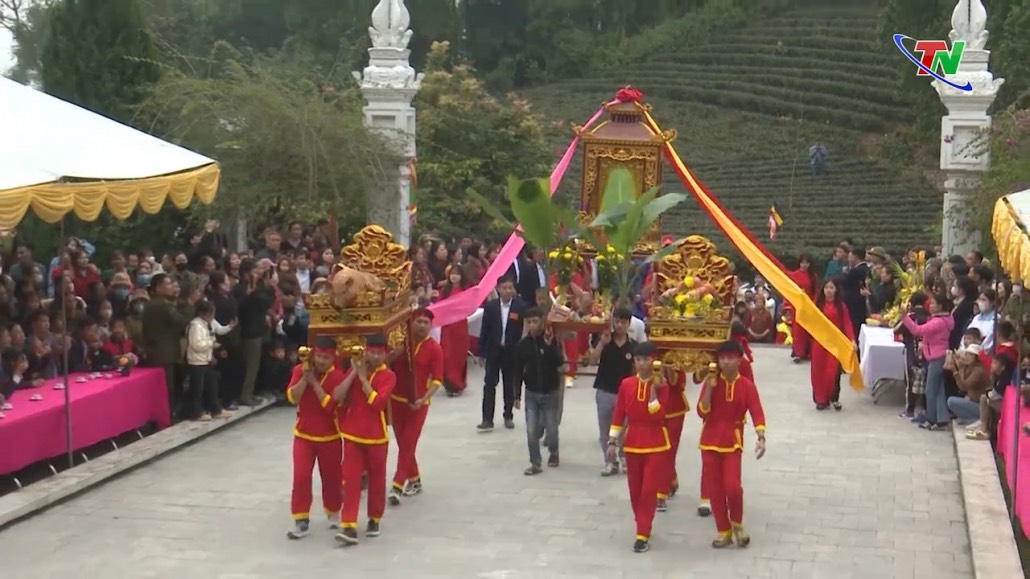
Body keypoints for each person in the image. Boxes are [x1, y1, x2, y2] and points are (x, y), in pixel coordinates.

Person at [697, 340, 766, 549]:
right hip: (709, 439)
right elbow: (702, 411)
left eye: (730, 358)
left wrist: (761, 437)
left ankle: (737, 524)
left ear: (738, 361)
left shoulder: (746, 385)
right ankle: (723, 531)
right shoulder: (711, 381)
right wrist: (709, 386)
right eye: (722, 358)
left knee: (733, 487)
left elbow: (757, 411)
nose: (725, 362)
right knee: (715, 489)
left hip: (732, 440)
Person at [606, 342, 670, 554]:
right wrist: (612, 440)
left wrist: (653, 394)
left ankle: (643, 533)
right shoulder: (626, 384)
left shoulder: (662, 385)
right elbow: (619, 413)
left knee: (649, 489)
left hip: (656, 442)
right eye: (639, 359)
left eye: (646, 359)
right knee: (635, 490)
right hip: (632, 442)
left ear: (654, 360)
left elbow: (660, 415)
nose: (643, 363)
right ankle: (641, 523)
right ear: (634, 361)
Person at [334, 334, 396, 546]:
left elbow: (378, 404)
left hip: (377, 436)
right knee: (350, 480)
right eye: (371, 352)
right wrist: (353, 373)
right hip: (352, 434)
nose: (375, 356)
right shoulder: (355, 370)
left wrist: (362, 379)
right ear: (366, 351)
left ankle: (374, 518)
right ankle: (348, 524)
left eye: (379, 353)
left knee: (377, 481)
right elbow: (337, 397)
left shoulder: (388, 376)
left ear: (385, 354)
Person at [284, 336, 346, 539]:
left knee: (332, 477)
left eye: (326, 358)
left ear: (333, 358)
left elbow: (329, 407)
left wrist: (314, 383)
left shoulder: (338, 377)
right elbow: (293, 397)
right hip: (303, 435)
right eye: (318, 356)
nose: (321, 361)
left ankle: (334, 511)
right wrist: (305, 379)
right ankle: (301, 520)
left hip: (330, 436)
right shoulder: (299, 370)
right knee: (301, 476)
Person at [389, 308, 443, 504]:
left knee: (409, 444)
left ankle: (397, 485)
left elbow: (437, 380)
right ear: (411, 323)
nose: (421, 325)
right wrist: (396, 353)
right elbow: (385, 365)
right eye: (418, 321)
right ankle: (415, 479)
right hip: (396, 401)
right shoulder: (401, 343)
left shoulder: (435, 349)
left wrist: (423, 398)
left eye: (425, 323)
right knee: (404, 444)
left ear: (430, 326)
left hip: (418, 404)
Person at [513, 307, 564, 475]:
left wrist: (550, 347)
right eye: (529, 322)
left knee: (551, 428)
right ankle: (535, 462)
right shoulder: (523, 345)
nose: (532, 325)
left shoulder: (550, 340)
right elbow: (518, 370)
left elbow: (559, 362)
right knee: (531, 430)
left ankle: (554, 452)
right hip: (531, 393)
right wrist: (516, 395)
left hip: (550, 392)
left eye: (535, 321)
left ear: (542, 321)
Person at [588, 308, 637, 476]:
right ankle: (609, 461)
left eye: (624, 322)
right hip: (604, 390)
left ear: (629, 324)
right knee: (605, 429)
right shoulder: (605, 342)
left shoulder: (633, 346)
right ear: (612, 322)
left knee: (624, 429)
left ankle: (623, 456)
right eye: (617, 321)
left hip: (625, 394)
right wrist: (602, 342)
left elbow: (636, 372)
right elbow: (592, 361)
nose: (620, 325)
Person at [477, 276, 526, 431]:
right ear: (498, 289)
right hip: (493, 351)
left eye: (510, 288)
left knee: (509, 385)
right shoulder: (491, 307)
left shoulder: (520, 307)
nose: (507, 291)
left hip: (512, 352)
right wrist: (481, 352)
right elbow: (484, 330)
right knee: (489, 384)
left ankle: (508, 415)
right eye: (504, 288)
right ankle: (487, 419)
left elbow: (523, 330)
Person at [902, 293, 955, 431]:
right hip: (935, 355)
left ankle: (931, 419)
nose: (930, 306)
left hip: (937, 357)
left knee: (930, 389)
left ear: (940, 306)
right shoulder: (940, 319)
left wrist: (904, 317)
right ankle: (941, 419)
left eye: (933, 304)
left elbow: (918, 330)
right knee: (938, 390)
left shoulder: (938, 322)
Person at [184, 300, 234, 422]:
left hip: (205, 360)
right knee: (197, 389)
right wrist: (211, 344)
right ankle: (196, 412)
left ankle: (215, 409)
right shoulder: (195, 326)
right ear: (204, 314)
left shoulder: (205, 325)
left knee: (212, 385)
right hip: (196, 362)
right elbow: (196, 345)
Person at [810, 279, 854, 411]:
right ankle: (820, 400)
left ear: (836, 290)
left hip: (835, 344)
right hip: (819, 343)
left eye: (831, 287)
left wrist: (852, 340)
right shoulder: (817, 305)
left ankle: (834, 398)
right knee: (818, 371)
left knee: (833, 372)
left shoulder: (841, 307)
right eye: (826, 288)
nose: (829, 290)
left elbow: (847, 324)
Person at [657, 368, 689, 513]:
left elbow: (677, 384)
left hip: (675, 410)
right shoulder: (649, 357)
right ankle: (671, 478)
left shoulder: (677, 360)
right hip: (655, 409)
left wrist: (668, 367)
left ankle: (661, 494)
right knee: (658, 451)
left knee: (668, 450)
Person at [787, 253, 818, 362]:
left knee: (807, 330)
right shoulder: (794, 275)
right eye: (802, 262)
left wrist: (813, 304)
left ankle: (807, 352)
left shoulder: (813, 276)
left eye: (807, 263)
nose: (804, 265)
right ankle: (798, 353)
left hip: (808, 306)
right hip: (797, 306)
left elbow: (815, 292)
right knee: (798, 330)